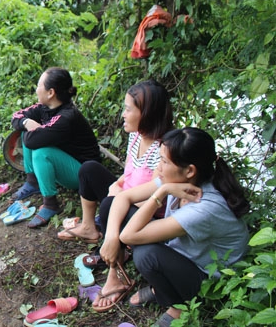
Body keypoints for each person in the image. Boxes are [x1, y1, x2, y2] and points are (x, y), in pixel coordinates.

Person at [95, 128, 249, 327]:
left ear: (190, 170)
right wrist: (110, 238)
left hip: (209, 277)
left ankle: (178, 306)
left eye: (164, 162)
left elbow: (129, 235)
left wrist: (163, 191)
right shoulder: (180, 177)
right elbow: (123, 197)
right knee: (110, 205)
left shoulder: (203, 207)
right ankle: (139, 283)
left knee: (147, 255)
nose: (158, 168)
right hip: (185, 253)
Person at [58, 80, 173, 242]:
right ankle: (88, 227)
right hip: (124, 197)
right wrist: (117, 185)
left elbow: (154, 202)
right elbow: (128, 173)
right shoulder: (136, 135)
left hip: (145, 213)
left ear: (147, 114)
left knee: (109, 204)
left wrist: (120, 199)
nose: (123, 115)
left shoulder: (163, 150)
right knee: (89, 169)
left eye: (128, 109)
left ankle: (113, 247)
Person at [10, 67, 101, 228]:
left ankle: (51, 204)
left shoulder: (66, 117)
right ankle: (33, 183)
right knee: (27, 131)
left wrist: (31, 127)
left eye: (39, 85)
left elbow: (32, 142)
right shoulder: (44, 108)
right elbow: (16, 117)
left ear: (50, 92)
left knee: (41, 152)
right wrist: (26, 122)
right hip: (65, 160)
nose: (36, 89)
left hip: (82, 173)